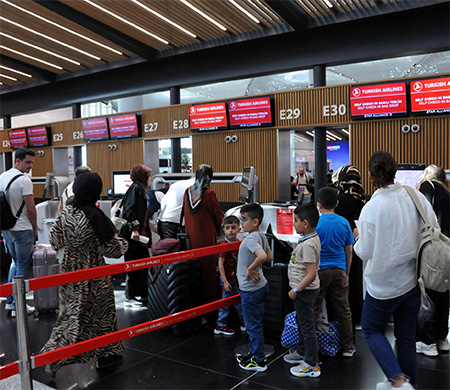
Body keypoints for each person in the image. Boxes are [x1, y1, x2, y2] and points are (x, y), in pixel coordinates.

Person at [354, 151, 438, 390]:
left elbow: (364, 251)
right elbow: (433, 226)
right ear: (395, 170)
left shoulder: (372, 208)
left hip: (382, 286)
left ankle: (398, 381)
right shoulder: (415, 197)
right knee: (406, 337)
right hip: (412, 281)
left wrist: (357, 237)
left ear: (371, 176)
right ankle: (408, 383)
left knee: (371, 329)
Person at [41, 172, 128, 376]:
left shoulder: (66, 213)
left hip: (69, 271)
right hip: (94, 273)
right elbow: (114, 250)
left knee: (70, 314)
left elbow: (55, 241)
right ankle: (101, 353)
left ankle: (57, 354)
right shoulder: (95, 217)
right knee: (101, 315)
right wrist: (122, 239)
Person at [314, 187, 355, 357]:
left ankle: (310, 347)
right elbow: (349, 251)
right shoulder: (344, 222)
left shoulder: (316, 223)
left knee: (314, 308)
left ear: (318, 204)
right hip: (339, 270)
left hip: (320, 271)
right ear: (337, 203)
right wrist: (346, 271)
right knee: (344, 310)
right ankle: (348, 347)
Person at [415, 164, 450, 356]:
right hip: (447, 248)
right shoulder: (447, 192)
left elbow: (423, 214)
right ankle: (441, 338)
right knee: (443, 292)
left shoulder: (428, 186)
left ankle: (427, 342)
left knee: (427, 292)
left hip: (432, 246)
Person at [284, 203, 321, 378]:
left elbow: (311, 274)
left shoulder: (308, 245)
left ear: (305, 223)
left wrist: (296, 290)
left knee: (307, 327)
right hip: (302, 291)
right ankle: (301, 351)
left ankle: (312, 364)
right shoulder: (308, 239)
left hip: (304, 292)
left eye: (296, 220)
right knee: (301, 322)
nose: (293, 224)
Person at [236, 203, 273, 372]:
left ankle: (258, 361)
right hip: (260, 287)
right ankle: (255, 354)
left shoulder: (251, 238)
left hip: (251, 290)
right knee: (255, 324)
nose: (241, 223)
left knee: (253, 326)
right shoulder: (260, 236)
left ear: (255, 221)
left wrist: (250, 269)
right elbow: (269, 256)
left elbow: (263, 256)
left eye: (244, 219)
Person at [0, 148, 37, 317]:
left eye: (31, 163)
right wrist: (35, 227)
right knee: (22, 264)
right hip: (22, 229)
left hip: (6, 228)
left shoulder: (2, 177)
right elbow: (30, 208)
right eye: (28, 162)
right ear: (18, 161)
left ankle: (9, 300)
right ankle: (18, 306)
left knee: (14, 262)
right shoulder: (24, 180)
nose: (30, 166)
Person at [183, 164, 224, 304]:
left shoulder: (187, 192)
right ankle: (208, 298)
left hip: (191, 237)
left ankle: (197, 297)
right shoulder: (209, 193)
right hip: (206, 238)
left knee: (195, 268)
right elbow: (218, 216)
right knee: (207, 268)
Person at [332, 165, 365, 329]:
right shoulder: (360, 197)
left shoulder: (343, 199)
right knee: (355, 280)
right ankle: (357, 315)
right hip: (358, 242)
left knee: (346, 282)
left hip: (345, 245)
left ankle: (347, 317)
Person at [121, 164, 153, 307]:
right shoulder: (136, 188)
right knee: (136, 264)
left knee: (139, 263)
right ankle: (133, 295)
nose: (151, 178)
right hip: (135, 236)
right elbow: (130, 210)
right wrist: (134, 229)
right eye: (149, 175)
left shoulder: (138, 188)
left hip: (139, 236)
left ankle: (136, 293)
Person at [215, 215, 245, 336]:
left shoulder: (238, 243)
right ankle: (242, 323)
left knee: (227, 302)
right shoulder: (225, 245)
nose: (231, 230)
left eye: (233, 227)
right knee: (237, 301)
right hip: (228, 278)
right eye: (228, 228)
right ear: (224, 230)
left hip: (235, 277)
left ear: (239, 229)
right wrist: (225, 281)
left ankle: (221, 324)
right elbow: (220, 263)